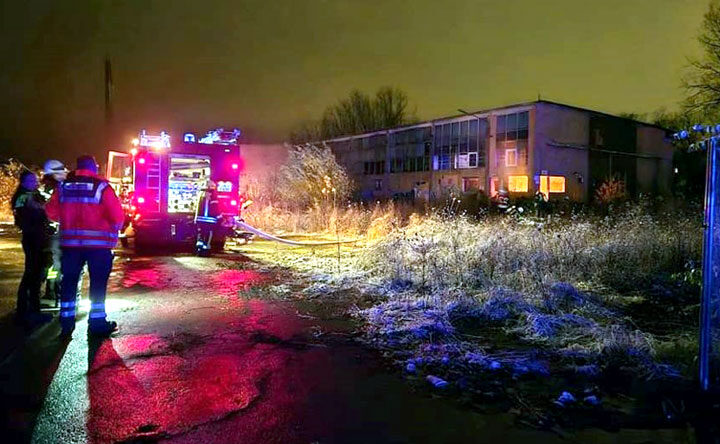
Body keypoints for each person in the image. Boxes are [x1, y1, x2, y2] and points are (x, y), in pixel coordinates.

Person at [46, 155, 124, 337]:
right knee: (97, 284)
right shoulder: (101, 186)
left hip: (71, 246)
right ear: (93, 168)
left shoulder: (63, 186)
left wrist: (68, 219)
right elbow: (117, 216)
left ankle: (66, 323)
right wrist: (112, 231)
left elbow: (51, 213)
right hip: (99, 247)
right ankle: (97, 322)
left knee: (69, 282)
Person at [11, 170, 53, 328]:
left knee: (36, 274)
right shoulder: (24, 197)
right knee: (32, 274)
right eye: (31, 180)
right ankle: (28, 312)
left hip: (38, 238)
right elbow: (25, 217)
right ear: (23, 182)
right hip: (32, 239)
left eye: (35, 180)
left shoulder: (33, 194)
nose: (35, 182)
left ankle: (31, 310)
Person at [40, 160, 68, 304]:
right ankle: (51, 290)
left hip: (51, 232)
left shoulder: (51, 187)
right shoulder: (52, 188)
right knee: (54, 265)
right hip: (50, 233)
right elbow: (49, 211)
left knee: (53, 265)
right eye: (61, 171)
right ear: (53, 173)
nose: (64, 174)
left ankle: (52, 290)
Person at [194, 180, 219, 255]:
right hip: (209, 219)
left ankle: (199, 248)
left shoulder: (201, 194)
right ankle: (206, 249)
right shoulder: (213, 195)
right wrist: (219, 217)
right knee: (209, 233)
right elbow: (215, 208)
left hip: (199, 219)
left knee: (200, 233)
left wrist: (196, 218)